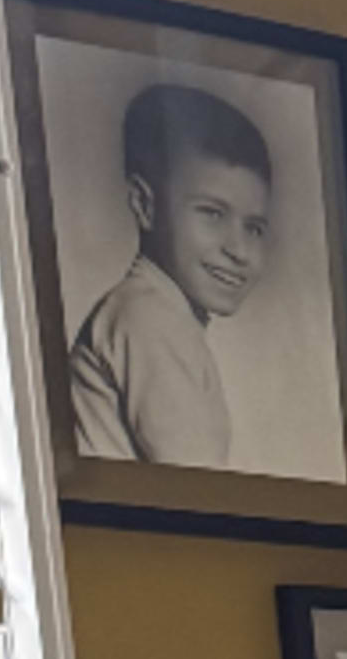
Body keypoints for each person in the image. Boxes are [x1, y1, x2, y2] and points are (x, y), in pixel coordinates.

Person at [67, 79, 272, 466]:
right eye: (212, 214)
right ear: (145, 205)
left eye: (254, 228)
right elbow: (198, 487)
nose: (239, 251)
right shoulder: (149, 318)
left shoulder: (158, 314)